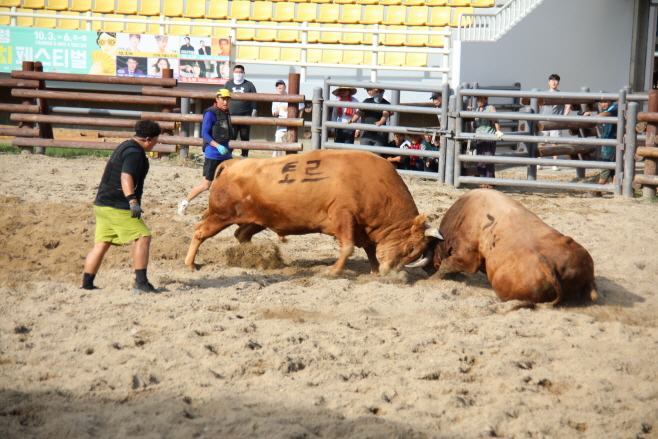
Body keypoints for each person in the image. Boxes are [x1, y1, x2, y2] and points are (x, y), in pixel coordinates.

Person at [82, 120, 161, 293]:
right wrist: (132, 201)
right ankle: (141, 283)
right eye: (156, 140)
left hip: (102, 204)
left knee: (101, 244)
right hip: (117, 205)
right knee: (143, 236)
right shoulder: (134, 153)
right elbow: (126, 177)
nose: (156, 144)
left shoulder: (126, 146)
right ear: (148, 138)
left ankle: (87, 285)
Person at [178, 89, 234, 215]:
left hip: (225, 155)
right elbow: (205, 134)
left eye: (228, 99)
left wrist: (225, 149)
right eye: (223, 99)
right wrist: (218, 146)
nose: (225, 102)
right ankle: (184, 203)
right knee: (205, 185)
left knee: (230, 182)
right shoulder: (210, 113)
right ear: (217, 99)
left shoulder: (226, 113)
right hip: (213, 154)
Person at [582, 99, 618, 198]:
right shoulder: (612, 109)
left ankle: (598, 189)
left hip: (612, 140)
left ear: (610, 101)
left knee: (606, 163)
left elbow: (607, 114)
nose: (603, 104)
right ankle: (615, 188)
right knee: (613, 164)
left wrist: (593, 117)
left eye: (605, 102)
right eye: (601, 102)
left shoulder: (614, 109)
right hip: (610, 140)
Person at [222, 65, 257, 158]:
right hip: (231, 115)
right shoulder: (228, 84)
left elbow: (256, 98)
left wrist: (254, 110)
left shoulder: (249, 85)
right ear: (233, 73)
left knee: (245, 136)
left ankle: (244, 156)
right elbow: (221, 98)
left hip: (245, 115)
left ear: (244, 73)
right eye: (236, 72)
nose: (238, 74)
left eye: (240, 72)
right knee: (231, 136)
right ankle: (228, 155)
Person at [538, 73, 571, 170]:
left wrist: (564, 118)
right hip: (543, 122)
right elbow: (538, 106)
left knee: (554, 143)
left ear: (558, 83)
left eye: (556, 80)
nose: (554, 82)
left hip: (556, 122)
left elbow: (568, 105)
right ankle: (539, 162)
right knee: (541, 142)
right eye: (552, 80)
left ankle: (554, 163)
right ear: (548, 82)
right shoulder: (543, 94)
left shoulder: (561, 95)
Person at [470, 96, 504, 187]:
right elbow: (475, 124)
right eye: (478, 99)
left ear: (486, 99)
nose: (480, 101)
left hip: (489, 136)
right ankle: (482, 179)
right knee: (480, 159)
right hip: (479, 136)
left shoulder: (490, 108)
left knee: (488, 159)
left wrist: (498, 130)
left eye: (482, 99)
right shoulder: (477, 109)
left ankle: (490, 181)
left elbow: (495, 120)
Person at [271, 79, 310, 157]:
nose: (279, 86)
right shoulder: (275, 98)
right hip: (281, 123)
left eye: (281, 84)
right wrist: (281, 107)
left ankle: (292, 159)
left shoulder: (291, 95)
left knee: (292, 143)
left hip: (292, 122)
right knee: (278, 142)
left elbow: (301, 107)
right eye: (277, 85)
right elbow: (274, 113)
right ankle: (276, 160)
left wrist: (298, 119)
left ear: (285, 86)